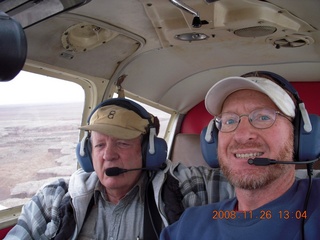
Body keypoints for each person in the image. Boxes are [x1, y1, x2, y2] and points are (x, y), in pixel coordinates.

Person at [4, 98, 234, 240]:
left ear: (149, 150)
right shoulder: (53, 200)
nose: (108, 154)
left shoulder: (186, 188)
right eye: (99, 145)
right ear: (86, 152)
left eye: (122, 143)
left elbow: (257, 192)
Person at [160, 71, 320, 240]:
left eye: (263, 117)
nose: (242, 135)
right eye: (229, 121)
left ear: (299, 135)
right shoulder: (188, 226)